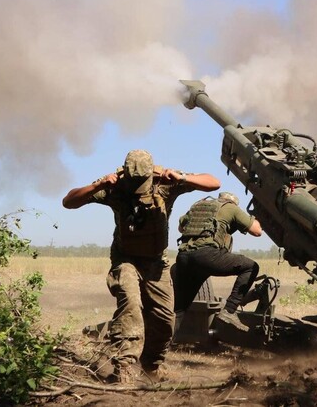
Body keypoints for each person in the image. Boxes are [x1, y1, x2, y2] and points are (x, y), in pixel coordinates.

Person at [62, 149, 220, 382]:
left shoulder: (165, 182)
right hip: (126, 260)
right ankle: (124, 366)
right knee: (131, 306)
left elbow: (213, 183)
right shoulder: (114, 187)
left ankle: (152, 366)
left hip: (156, 263)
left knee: (165, 319)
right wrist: (97, 186)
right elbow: (69, 202)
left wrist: (182, 178)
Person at [173, 192, 263, 332]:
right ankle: (229, 311)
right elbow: (257, 231)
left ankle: (162, 347)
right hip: (207, 256)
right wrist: (256, 219)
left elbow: (181, 228)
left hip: (183, 257)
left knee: (179, 308)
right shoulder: (231, 208)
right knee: (250, 267)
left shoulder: (198, 205)